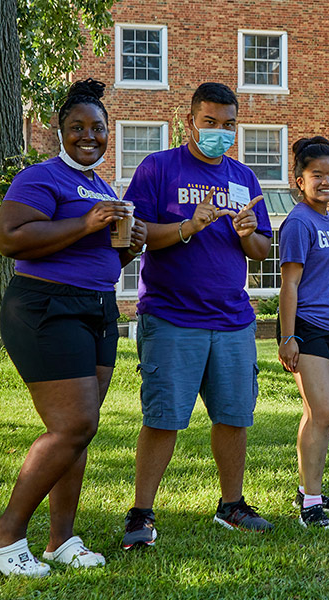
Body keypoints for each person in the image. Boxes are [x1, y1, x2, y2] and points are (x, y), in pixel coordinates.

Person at [0, 79, 146, 576]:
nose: (89, 136)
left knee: (79, 433)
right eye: (77, 127)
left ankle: (61, 539)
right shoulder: (40, 177)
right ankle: (4, 534)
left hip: (96, 309)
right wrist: (85, 223)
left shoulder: (100, 185)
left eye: (98, 128)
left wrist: (130, 243)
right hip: (44, 307)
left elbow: (103, 255)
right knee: (73, 424)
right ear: (60, 130)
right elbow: (10, 238)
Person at [121, 82, 274, 549]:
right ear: (190, 122)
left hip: (232, 318)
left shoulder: (244, 177)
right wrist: (189, 226)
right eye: (210, 123)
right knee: (164, 417)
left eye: (229, 125)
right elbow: (136, 234)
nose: (220, 133)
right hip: (172, 315)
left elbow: (262, 250)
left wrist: (248, 233)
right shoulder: (159, 168)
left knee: (233, 416)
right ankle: (142, 512)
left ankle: (231, 506)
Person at [278, 137, 329, 529]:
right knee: (322, 411)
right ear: (299, 180)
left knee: (321, 415)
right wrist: (287, 337)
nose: (327, 182)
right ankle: (310, 503)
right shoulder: (298, 222)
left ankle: (313, 490)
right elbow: (289, 284)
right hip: (306, 328)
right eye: (317, 175)